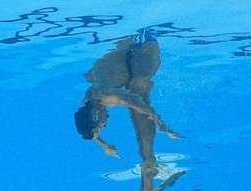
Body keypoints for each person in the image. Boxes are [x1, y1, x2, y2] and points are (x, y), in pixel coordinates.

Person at [74, 29, 182, 159]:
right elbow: (92, 132)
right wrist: (103, 145)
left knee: (140, 95)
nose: (106, 124)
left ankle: (149, 157)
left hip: (144, 45)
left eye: (103, 126)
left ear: (96, 115)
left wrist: (163, 126)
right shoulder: (88, 100)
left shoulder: (108, 96)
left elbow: (144, 109)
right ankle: (147, 156)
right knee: (134, 96)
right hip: (130, 46)